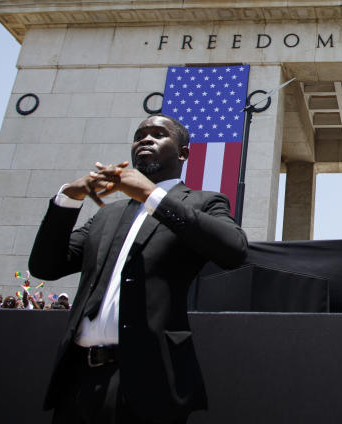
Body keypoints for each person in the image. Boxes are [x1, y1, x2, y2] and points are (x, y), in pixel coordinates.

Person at [29, 114, 247, 423]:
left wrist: (150, 194)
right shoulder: (106, 215)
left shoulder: (203, 203)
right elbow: (45, 266)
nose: (146, 139)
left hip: (150, 381)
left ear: (183, 153)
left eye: (159, 134)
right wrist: (68, 197)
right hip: (78, 382)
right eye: (140, 135)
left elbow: (234, 251)